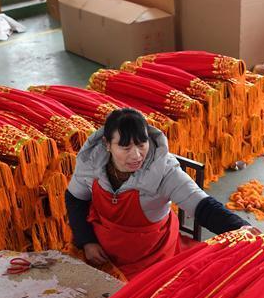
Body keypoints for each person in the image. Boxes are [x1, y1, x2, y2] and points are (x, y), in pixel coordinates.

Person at [66, 108, 249, 279]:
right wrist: (86, 241)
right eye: (126, 148)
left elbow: (203, 206)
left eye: (141, 144)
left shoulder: (163, 169)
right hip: (101, 252)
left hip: (153, 257)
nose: (136, 155)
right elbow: (75, 199)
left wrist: (244, 230)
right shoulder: (92, 161)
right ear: (107, 145)